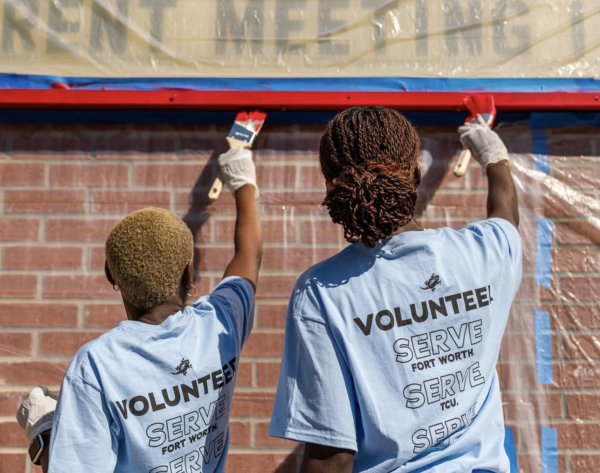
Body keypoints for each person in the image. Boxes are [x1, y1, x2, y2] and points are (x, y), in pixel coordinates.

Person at [269, 107, 521, 473]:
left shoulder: (323, 292)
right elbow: (506, 214)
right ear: (417, 176)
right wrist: (494, 156)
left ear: (332, 188)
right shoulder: (487, 253)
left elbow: (331, 458)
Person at [16, 146, 262, 473]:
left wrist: (44, 434)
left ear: (110, 276)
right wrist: (244, 183)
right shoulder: (220, 323)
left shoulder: (98, 367)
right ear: (189, 273)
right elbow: (249, 257)